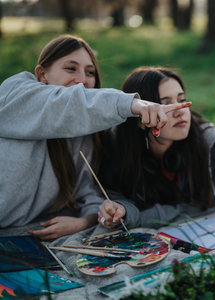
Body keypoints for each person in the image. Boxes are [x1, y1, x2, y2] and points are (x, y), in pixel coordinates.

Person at [0, 35, 188, 240]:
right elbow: (66, 104)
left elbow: (87, 191)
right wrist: (133, 105)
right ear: (42, 74)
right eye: (70, 68)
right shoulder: (14, 95)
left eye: (89, 72)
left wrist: (86, 221)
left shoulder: (85, 133)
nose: (82, 80)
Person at [98, 67, 215, 228]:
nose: (180, 112)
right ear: (139, 117)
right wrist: (119, 210)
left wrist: (139, 216)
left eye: (181, 100)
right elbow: (114, 196)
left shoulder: (209, 143)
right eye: (165, 105)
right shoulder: (117, 144)